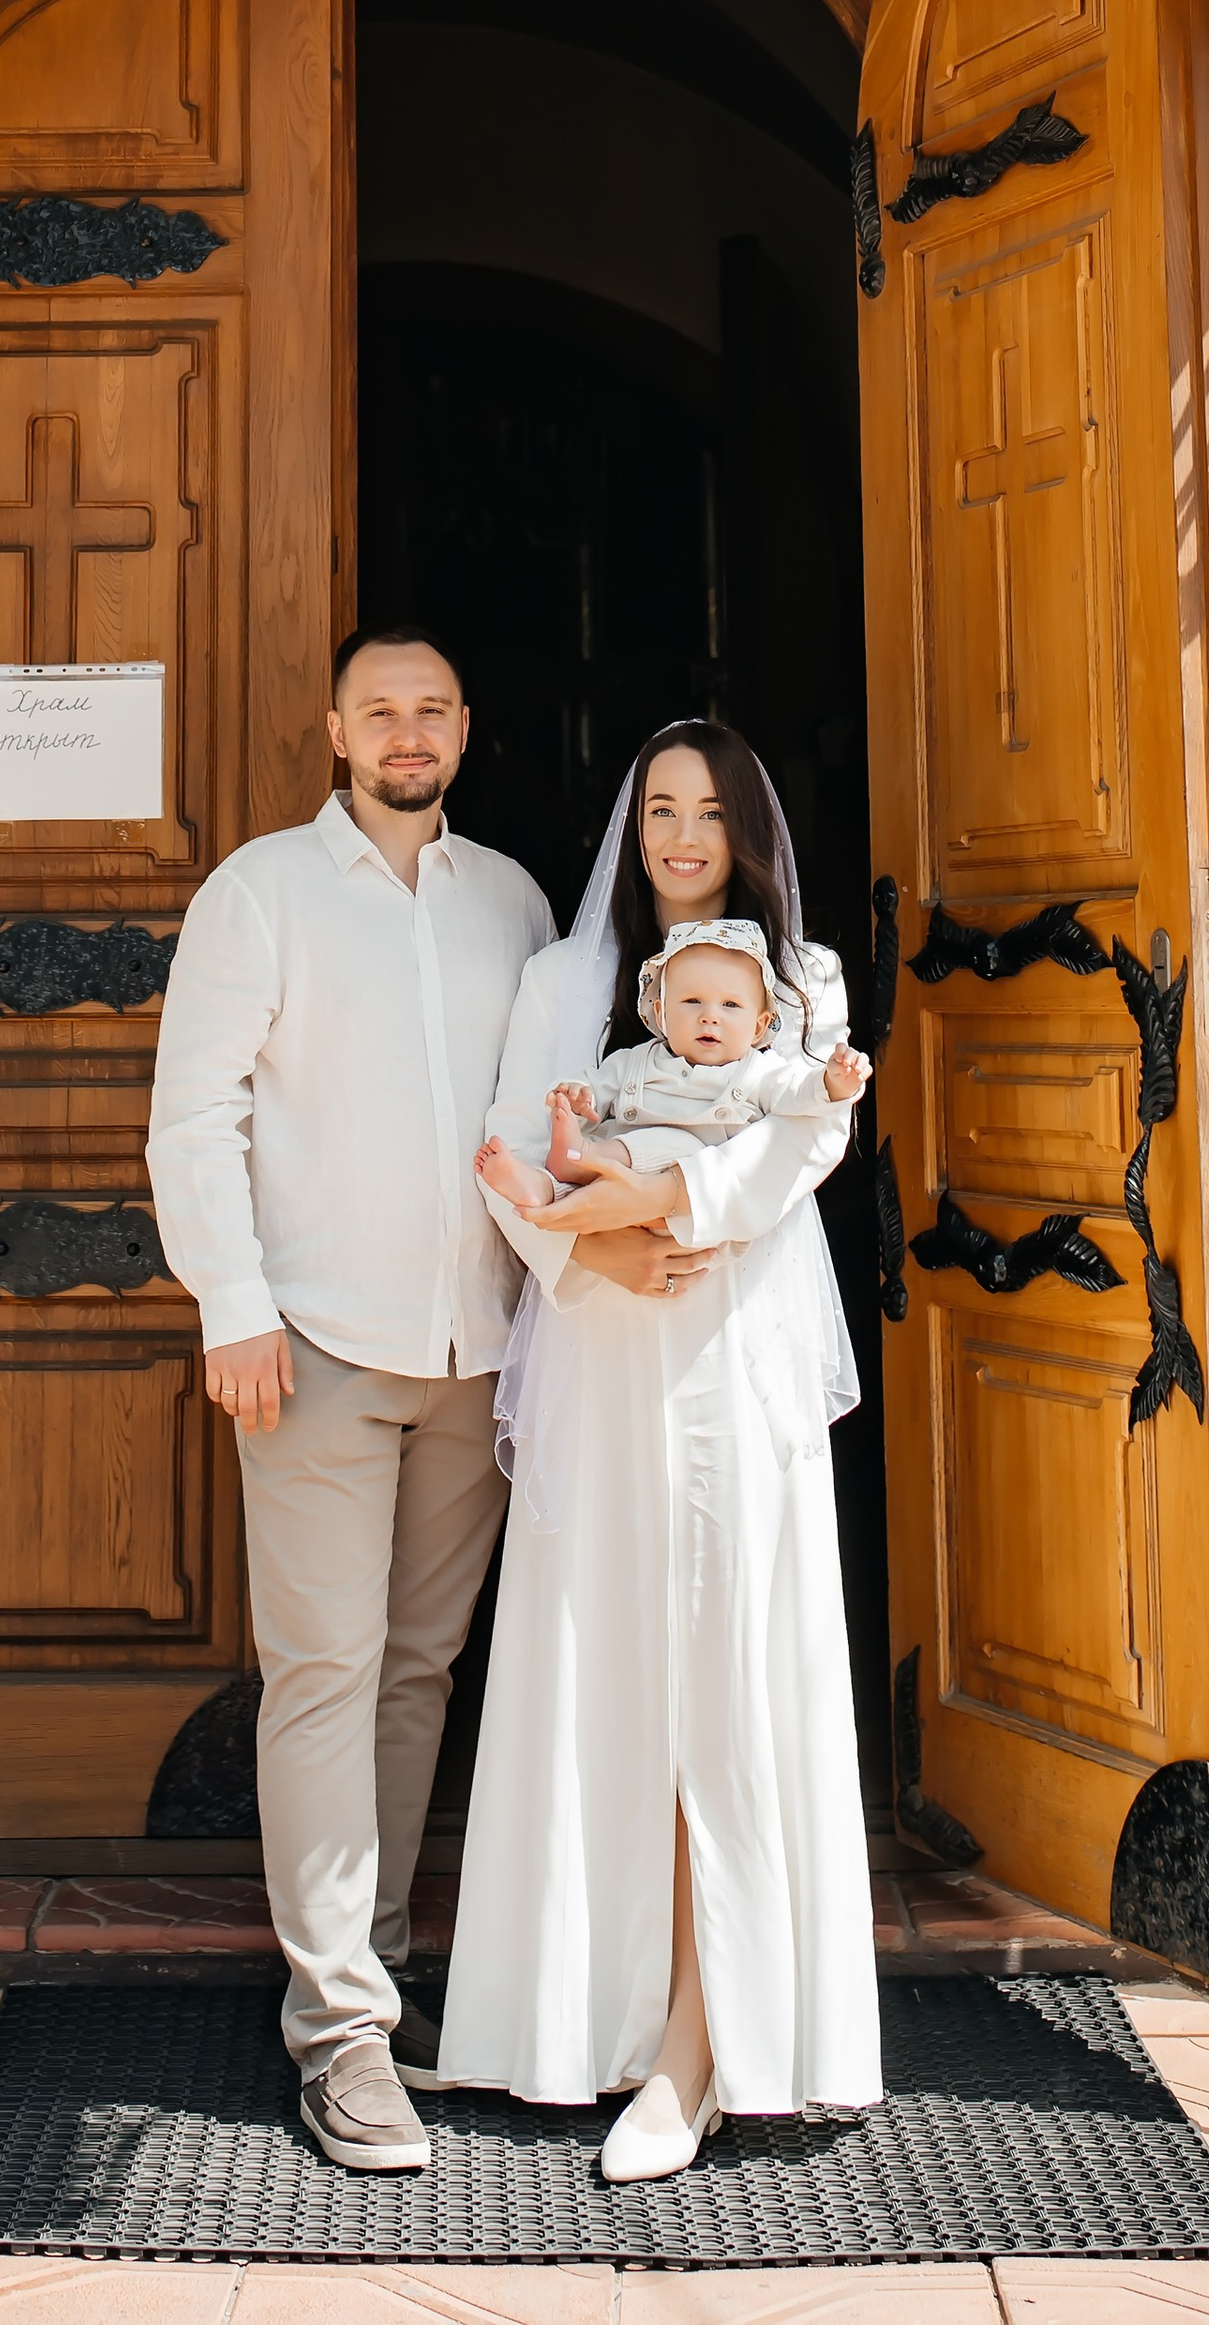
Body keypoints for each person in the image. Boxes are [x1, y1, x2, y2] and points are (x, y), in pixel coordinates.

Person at [438, 722, 885, 2177]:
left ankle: (705, 2043)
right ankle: (581, 2019)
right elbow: (511, 1146)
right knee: (607, 1663)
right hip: (605, 1346)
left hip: (740, 1337)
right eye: (660, 811)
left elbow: (796, 1150)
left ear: (750, 830)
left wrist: (668, 1216)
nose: (683, 837)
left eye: (710, 813)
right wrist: (599, 1263)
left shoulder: (798, 981)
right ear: (629, 829)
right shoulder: (566, 982)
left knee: (730, 1670)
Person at [145, 627, 552, 2175]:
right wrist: (233, 1308)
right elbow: (195, 1120)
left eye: (432, 707)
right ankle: (338, 2032)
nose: (406, 729)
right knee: (321, 1672)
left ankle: (369, 1969)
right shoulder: (259, 891)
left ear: (464, 728)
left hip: (480, 1354)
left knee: (419, 1673)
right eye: (380, 707)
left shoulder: (510, 900)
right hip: (312, 1345)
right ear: (332, 728)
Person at [474, 915, 867, 1214]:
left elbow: (796, 1094)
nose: (709, 1016)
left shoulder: (756, 1072)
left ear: (759, 1026)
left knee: (672, 1145)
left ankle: (577, 1159)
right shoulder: (635, 1061)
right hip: (618, 1178)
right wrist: (578, 1098)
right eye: (692, 1002)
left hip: (684, 1184)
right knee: (594, 1168)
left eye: (730, 1006)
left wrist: (833, 1083)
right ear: (660, 1014)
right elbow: (600, 1087)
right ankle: (542, 1187)